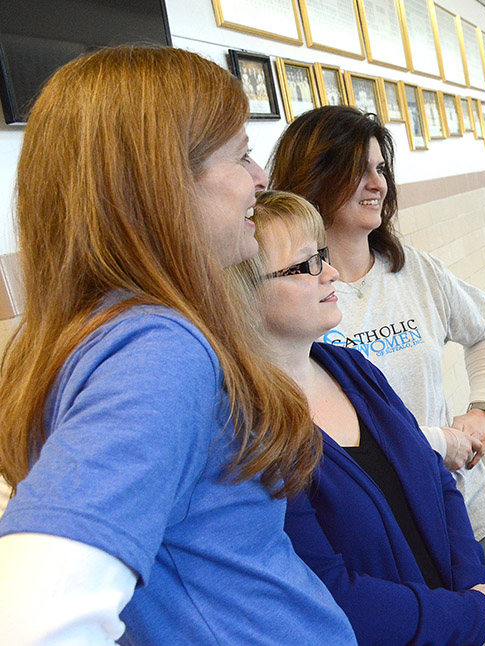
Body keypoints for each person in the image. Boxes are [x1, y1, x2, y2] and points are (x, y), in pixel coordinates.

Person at [0, 46, 356, 645]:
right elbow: (34, 618)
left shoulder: (97, 329)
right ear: (164, 185)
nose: (261, 179)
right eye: (241, 155)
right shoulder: (159, 349)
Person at [269, 105, 485, 644]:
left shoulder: (413, 273)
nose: (376, 183)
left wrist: (482, 408)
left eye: (382, 169)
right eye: (357, 169)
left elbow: (483, 332)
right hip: (386, 550)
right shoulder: (306, 312)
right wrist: (438, 440)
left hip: (460, 509)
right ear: (316, 175)